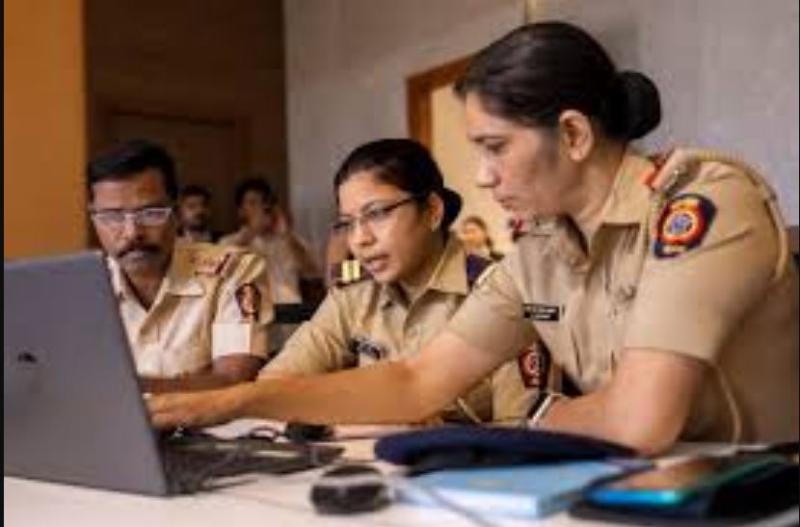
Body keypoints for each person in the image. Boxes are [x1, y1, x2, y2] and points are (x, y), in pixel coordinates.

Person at [149, 22, 798, 454]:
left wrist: (536, 418)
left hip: (757, 490)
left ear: (573, 135)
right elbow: (416, 381)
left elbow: (639, 418)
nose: (482, 177)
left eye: (494, 147)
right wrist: (237, 400)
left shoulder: (704, 200)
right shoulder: (542, 250)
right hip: (636, 485)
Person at [259, 139, 544, 424]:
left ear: (432, 210)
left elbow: (524, 433)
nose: (359, 239)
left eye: (377, 214)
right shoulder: (355, 293)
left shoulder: (500, 294)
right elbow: (274, 386)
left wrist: (414, 430)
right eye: (348, 223)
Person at [87, 139, 274, 393]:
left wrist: (124, 391)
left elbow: (234, 383)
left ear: (176, 213)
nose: (132, 233)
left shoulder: (233, 270)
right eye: (112, 217)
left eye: (151, 214)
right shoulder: (79, 290)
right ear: (94, 219)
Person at [219, 177, 321, 304]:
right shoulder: (229, 242)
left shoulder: (289, 240)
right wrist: (253, 230)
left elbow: (313, 272)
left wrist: (287, 235)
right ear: (241, 211)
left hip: (289, 309)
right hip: (251, 311)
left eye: (263, 202)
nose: (260, 208)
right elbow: (220, 272)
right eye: (252, 203)